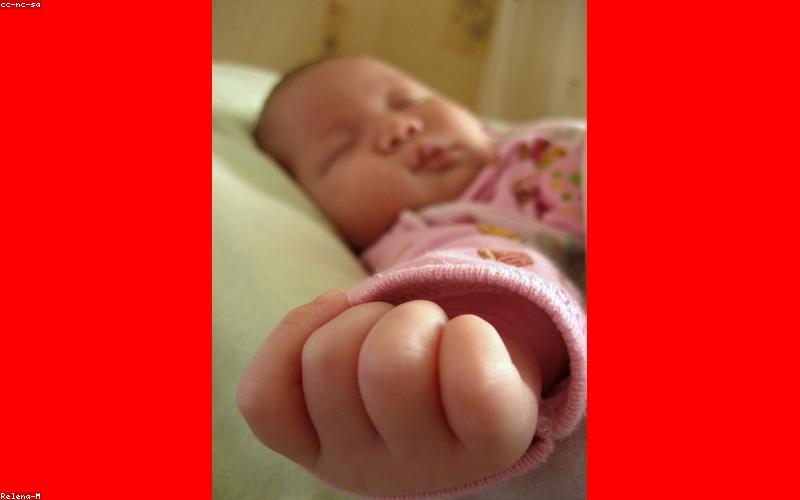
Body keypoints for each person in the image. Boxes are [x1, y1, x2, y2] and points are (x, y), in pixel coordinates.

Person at [237, 55, 586, 497]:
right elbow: (473, 263)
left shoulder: (537, 149)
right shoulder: (415, 235)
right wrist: (480, 356)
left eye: (408, 102)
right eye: (342, 148)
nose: (398, 129)